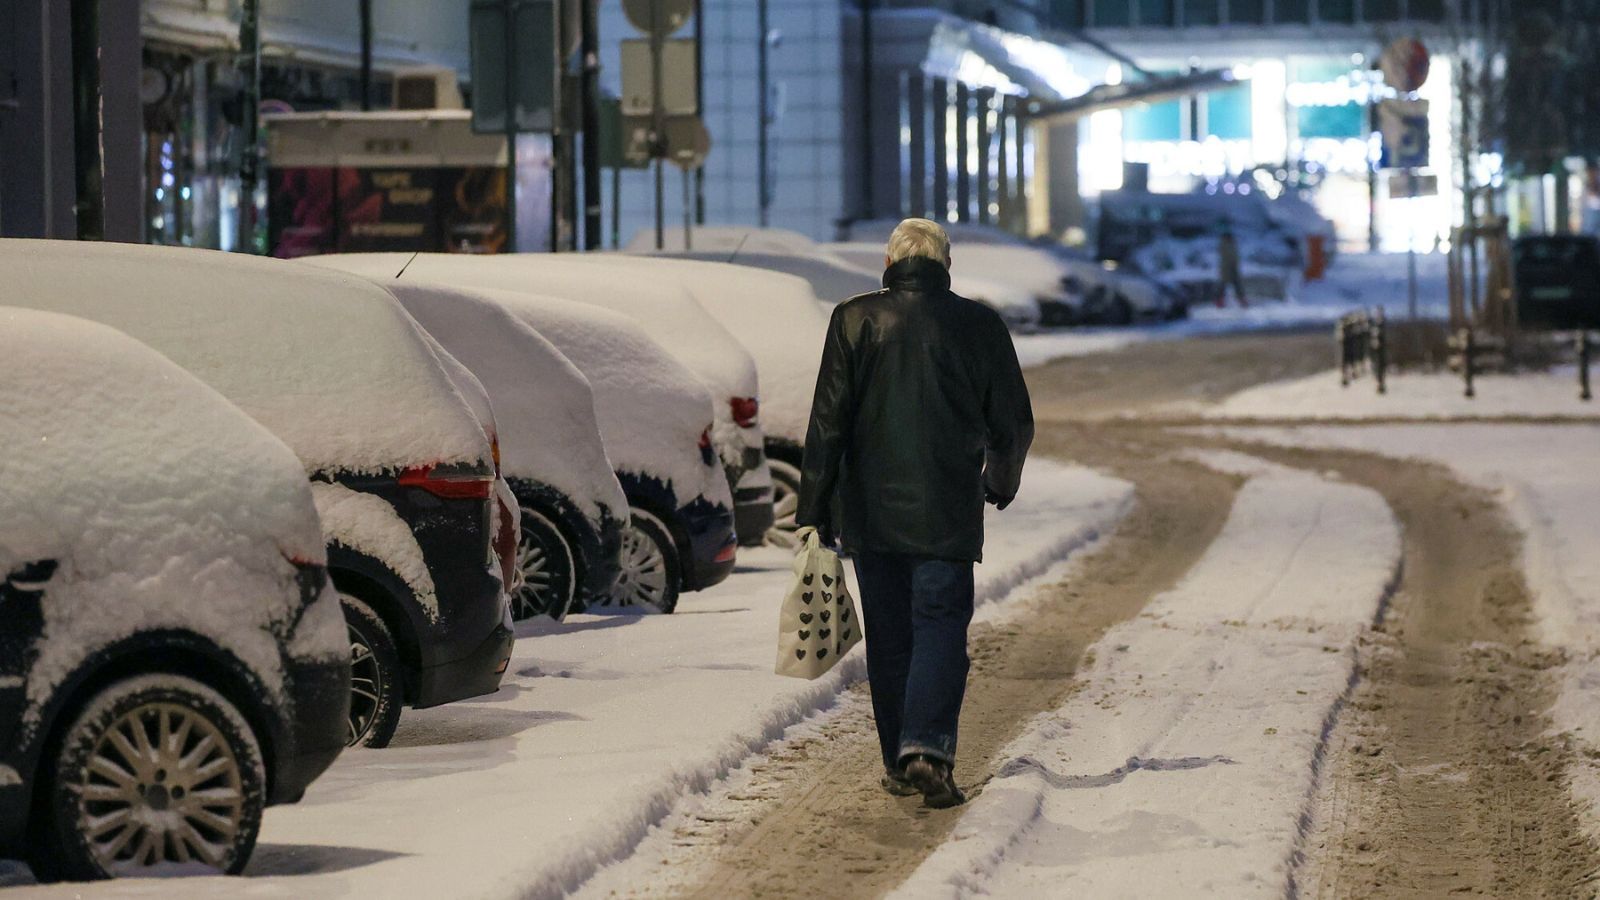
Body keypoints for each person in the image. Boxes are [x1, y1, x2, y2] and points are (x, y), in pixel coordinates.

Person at [795, 218, 1034, 809]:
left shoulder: (853, 319)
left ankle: (900, 764)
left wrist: (815, 507)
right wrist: (999, 481)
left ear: (889, 264)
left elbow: (828, 422)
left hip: (870, 516)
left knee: (892, 640)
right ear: (944, 264)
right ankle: (926, 748)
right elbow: (1013, 421)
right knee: (939, 631)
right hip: (948, 512)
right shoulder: (977, 324)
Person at [1217, 227, 1250, 309]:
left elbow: (1234, 257)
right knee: (1228, 286)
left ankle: (1241, 301)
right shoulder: (1226, 245)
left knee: (1231, 286)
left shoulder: (1230, 245)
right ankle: (1220, 301)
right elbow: (1230, 258)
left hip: (1230, 269)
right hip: (1228, 269)